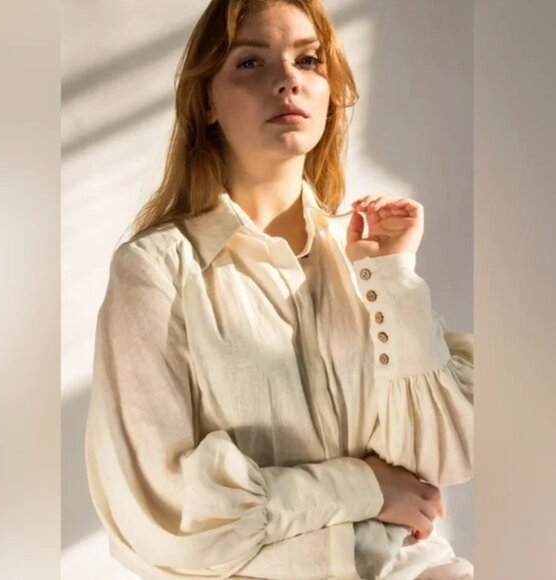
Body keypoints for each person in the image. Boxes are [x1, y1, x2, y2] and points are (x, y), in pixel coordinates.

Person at [84, 0, 474, 578]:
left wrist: (392, 277)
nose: (288, 80)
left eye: (308, 60)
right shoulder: (156, 271)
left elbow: (445, 451)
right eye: (251, 62)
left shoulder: (365, 258)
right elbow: (165, 512)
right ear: (206, 101)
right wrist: (363, 486)